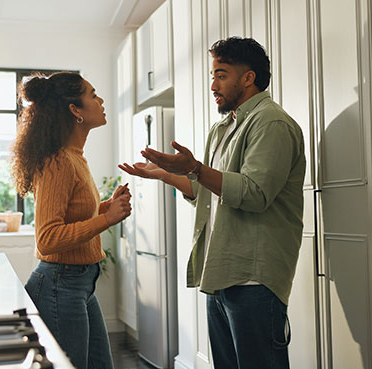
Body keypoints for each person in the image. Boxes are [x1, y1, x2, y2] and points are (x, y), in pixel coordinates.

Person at [119, 37, 306, 369]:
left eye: (221, 75)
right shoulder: (223, 128)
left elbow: (254, 194)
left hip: (255, 278)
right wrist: (165, 175)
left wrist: (194, 168)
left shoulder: (271, 123)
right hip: (222, 272)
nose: (212, 85)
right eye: (212, 75)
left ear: (248, 78)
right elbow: (208, 193)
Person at [11, 71, 131, 369]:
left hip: (78, 284)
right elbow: (48, 238)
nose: (101, 100)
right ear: (75, 110)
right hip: (59, 284)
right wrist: (106, 220)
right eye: (93, 95)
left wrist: (106, 209)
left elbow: (74, 216)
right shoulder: (58, 162)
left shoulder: (74, 156)